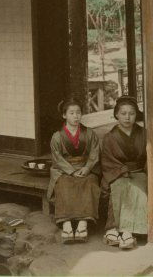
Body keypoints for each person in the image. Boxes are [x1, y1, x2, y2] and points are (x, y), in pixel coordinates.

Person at [101, 95, 153, 250]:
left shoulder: (145, 133)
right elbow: (108, 161)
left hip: (140, 172)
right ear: (116, 114)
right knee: (119, 188)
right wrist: (122, 171)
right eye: (123, 113)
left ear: (137, 115)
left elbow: (151, 156)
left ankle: (125, 231)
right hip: (117, 173)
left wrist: (150, 173)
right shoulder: (109, 137)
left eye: (132, 113)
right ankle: (121, 231)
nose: (127, 117)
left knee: (139, 190)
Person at [48, 98, 101, 243]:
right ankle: (66, 223)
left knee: (90, 182)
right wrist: (71, 171)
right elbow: (57, 158)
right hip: (64, 169)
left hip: (85, 168)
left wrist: (87, 168)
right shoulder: (57, 136)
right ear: (64, 115)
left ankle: (83, 223)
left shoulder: (90, 133)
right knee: (64, 184)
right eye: (71, 113)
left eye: (78, 112)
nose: (76, 116)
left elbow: (94, 153)